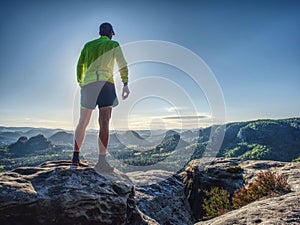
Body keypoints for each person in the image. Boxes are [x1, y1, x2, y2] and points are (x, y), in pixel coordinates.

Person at [72, 22, 129, 172]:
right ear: (111, 33)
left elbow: (80, 65)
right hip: (106, 85)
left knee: (83, 121)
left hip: (89, 85)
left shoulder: (88, 45)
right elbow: (122, 64)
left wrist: (81, 82)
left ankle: (75, 159)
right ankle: (101, 162)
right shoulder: (113, 44)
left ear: (99, 33)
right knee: (104, 122)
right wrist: (125, 82)